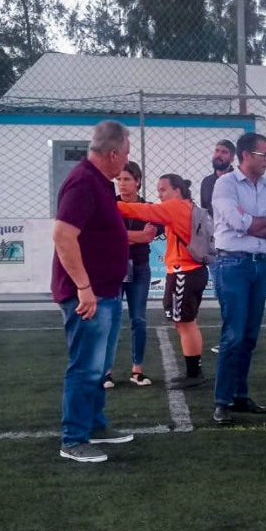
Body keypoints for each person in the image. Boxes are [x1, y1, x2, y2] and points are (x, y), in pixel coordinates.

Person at [51, 120, 135, 464]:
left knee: (99, 366)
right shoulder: (84, 182)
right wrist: (84, 288)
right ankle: (74, 438)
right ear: (113, 153)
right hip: (90, 295)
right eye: (127, 153)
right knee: (85, 367)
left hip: (106, 291)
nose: (128, 161)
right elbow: (62, 236)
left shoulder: (97, 182)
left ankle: (95, 425)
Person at [209, 132, 266, 425]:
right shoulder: (225, 184)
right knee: (234, 334)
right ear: (246, 156)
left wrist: (254, 224)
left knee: (250, 336)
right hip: (232, 265)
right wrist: (261, 223)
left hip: (259, 265)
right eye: (263, 155)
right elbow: (235, 221)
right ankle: (222, 400)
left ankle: (239, 395)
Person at [117, 174, 209, 390]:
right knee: (186, 323)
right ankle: (194, 371)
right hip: (189, 271)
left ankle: (194, 374)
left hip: (184, 272)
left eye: (163, 189)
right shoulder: (187, 206)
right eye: (158, 190)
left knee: (185, 324)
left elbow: (142, 211)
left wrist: (112, 204)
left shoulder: (176, 206)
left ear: (177, 191)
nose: (160, 194)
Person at [102, 161, 160, 388]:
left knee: (139, 320)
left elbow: (150, 236)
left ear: (138, 181)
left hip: (139, 267)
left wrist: (124, 235)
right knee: (111, 320)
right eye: (119, 179)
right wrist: (137, 235)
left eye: (127, 179)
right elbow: (110, 236)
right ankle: (106, 372)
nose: (122, 184)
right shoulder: (109, 204)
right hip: (114, 267)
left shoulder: (149, 207)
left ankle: (137, 371)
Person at [201, 139, 236, 355]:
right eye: (217, 151)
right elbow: (206, 214)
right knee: (222, 294)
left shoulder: (237, 180)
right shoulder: (207, 182)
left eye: (224, 152)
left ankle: (233, 338)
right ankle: (229, 338)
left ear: (232, 157)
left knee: (233, 294)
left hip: (234, 247)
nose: (219, 155)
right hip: (214, 248)